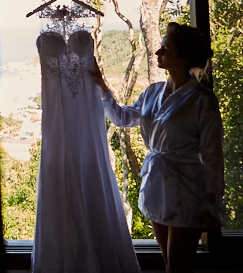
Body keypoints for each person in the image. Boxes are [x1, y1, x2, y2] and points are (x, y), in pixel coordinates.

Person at [90, 22, 225, 273]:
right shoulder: (153, 91)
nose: (157, 52)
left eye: (165, 49)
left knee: (178, 266)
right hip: (156, 185)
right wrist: (101, 86)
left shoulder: (202, 99)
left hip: (186, 188)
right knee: (168, 262)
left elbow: (212, 153)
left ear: (183, 58)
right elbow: (122, 117)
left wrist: (211, 200)